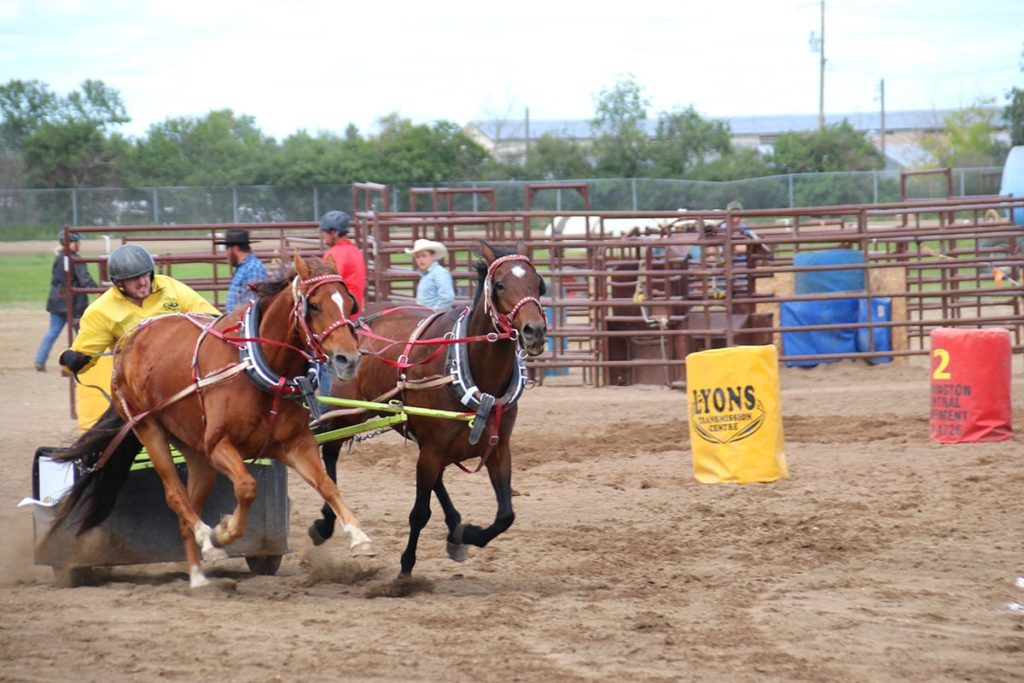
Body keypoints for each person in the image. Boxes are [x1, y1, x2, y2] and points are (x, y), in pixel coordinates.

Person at [58, 243, 220, 374]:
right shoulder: (101, 311)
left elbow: (210, 318)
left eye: (145, 275)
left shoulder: (169, 287)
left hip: (182, 370)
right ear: (119, 283)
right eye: (134, 278)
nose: (143, 282)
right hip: (136, 383)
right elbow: (81, 357)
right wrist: (72, 360)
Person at [34, 229, 98, 371]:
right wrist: (97, 290)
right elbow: (85, 279)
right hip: (74, 304)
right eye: (78, 242)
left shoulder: (59, 258)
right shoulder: (76, 260)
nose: (80, 244)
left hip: (57, 301)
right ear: (72, 244)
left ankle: (40, 359)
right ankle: (82, 361)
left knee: (53, 331)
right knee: (82, 334)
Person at [319, 210, 366, 312]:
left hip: (340, 311)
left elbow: (326, 285)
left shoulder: (334, 254)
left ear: (334, 233)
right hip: (356, 309)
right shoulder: (355, 251)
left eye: (324, 232)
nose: (323, 236)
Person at [217, 228, 268, 312]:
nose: (226, 253)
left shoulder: (253, 268)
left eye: (227, 248)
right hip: (235, 318)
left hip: (240, 319)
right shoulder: (245, 267)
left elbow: (253, 304)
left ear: (235, 248)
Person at [405, 238, 455, 310]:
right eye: (418, 257)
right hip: (425, 314)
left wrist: (434, 312)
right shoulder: (426, 275)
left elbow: (447, 297)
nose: (421, 260)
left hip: (436, 315)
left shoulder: (439, 272)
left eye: (424, 256)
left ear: (433, 256)